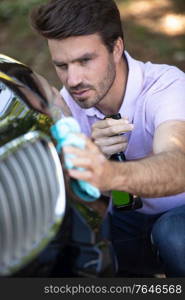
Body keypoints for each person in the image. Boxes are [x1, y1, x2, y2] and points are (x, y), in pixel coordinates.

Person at [30, 0, 185, 277]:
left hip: (179, 217)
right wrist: (87, 157)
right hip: (125, 226)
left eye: (84, 61)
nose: (73, 80)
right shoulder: (65, 105)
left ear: (116, 48)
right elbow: (70, 207)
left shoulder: (166, 85)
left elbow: (179, 163)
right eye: (62, 65)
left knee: (174, 234)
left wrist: (108, 173)